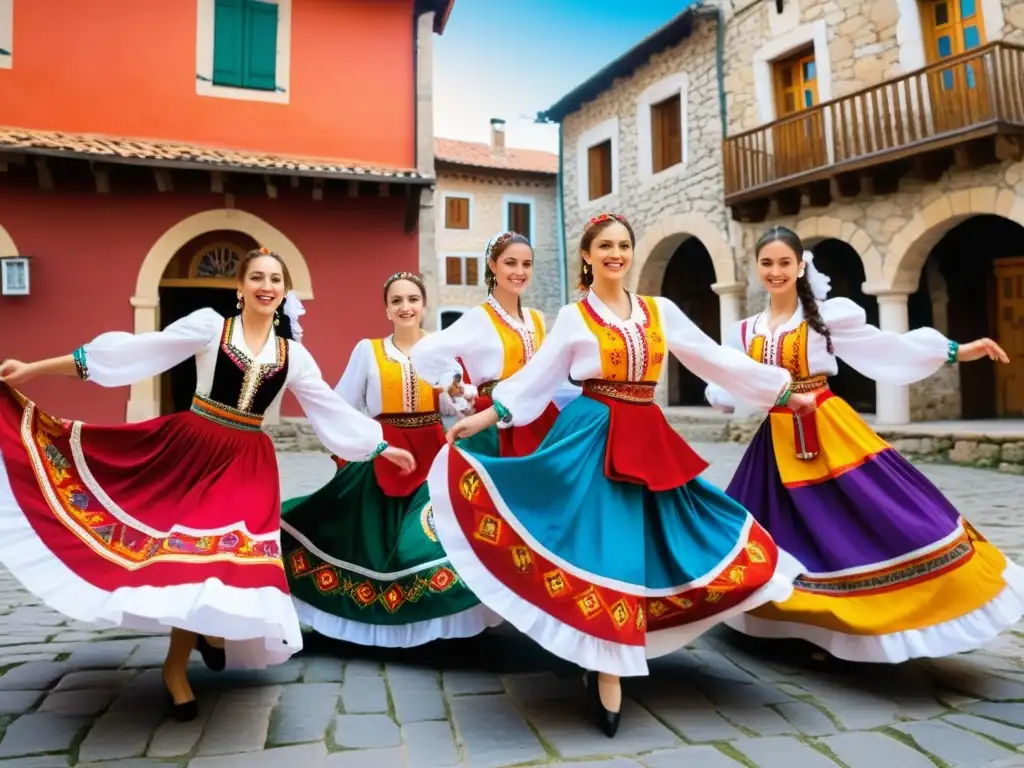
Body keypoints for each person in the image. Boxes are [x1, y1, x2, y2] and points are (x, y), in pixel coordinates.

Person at [428, 213, 812, 738]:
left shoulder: (660, 311)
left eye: (624, 245)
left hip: (647, 436)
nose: (616, 253)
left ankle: (616, 649)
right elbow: (532, 381)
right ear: (587, 256)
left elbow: (713, 358)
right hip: (589, 436)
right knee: (601, 548)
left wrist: (783, 391)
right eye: (605, 246)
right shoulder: (572, 317)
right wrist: (483, 416)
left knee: (674, 535)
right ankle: (608, 666)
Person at [0, 247, 415, 721]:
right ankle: (178, 667)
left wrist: (381, 446)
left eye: (275, 279)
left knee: (222, 557)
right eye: (256, 277)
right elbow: (134, 353)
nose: (266, 286)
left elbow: (329, 409)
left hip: (247, 464)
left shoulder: (292, 356)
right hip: (191, 450)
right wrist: (34, 369)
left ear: (284, 291)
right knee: (189, 556)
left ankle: (199, 641)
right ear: (239, 288)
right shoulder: (209, 327)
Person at [706, 225, 1022, 663]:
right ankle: (804, 622)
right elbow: (733, 380)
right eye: (767, 263)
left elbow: (885, 348)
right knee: (784, 532)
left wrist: (956, 351)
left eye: (784, 263)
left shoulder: (826, 317)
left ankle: (897, 609)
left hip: (829, 430)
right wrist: (720, 393)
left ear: (801, 267)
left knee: (856, 521)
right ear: (757, 268)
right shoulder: (746, 331)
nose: (775, 271)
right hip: (777, 441)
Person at [280, 271, 501, 647]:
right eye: (396, 300)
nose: (405, 307)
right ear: (386, 309)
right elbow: (342, 403)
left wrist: (460, 392)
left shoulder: (440, 350)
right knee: (370, 540)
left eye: (412, 299)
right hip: (385, 452)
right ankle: (375, 624)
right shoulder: (369, 350)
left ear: (424, 305)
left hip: (432, 452)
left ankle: (436, 619)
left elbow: (458, 405)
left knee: (431, 536)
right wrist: (349, 450)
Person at [410, 231, 578, 457]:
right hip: (493, 421)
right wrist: (457, 387)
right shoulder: (479, 317)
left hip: (538, 414)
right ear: (492, 265)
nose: (520, 272)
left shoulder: (536, 319)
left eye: (526, 264)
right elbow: (425, 351)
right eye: (510, 263)